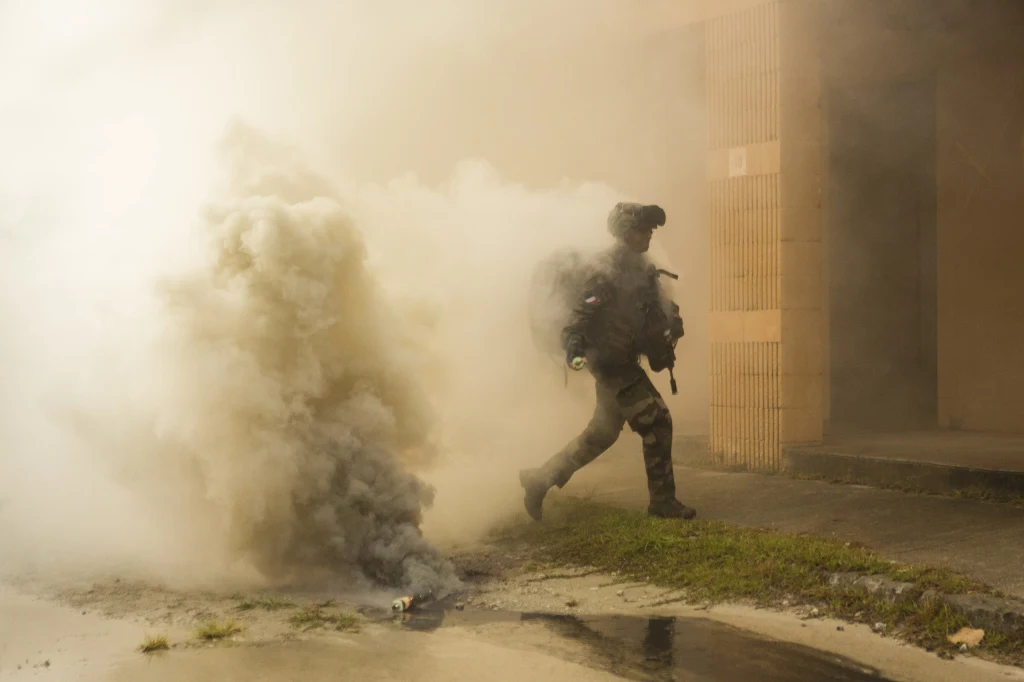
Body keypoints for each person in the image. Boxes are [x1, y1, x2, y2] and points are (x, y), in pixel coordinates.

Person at [519, 202, 697, 522]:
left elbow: (652, 315)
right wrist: (574, 348)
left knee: (601, 434)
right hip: (610, 365)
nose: (649, 235)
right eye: (644, 230)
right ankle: (662, 502)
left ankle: (539, 480)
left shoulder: (642, 269)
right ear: (627, 234)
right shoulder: (605, 272)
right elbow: (580, 317)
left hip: (624, 361)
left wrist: (670, 325)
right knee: (657, 421)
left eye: (650, 230)